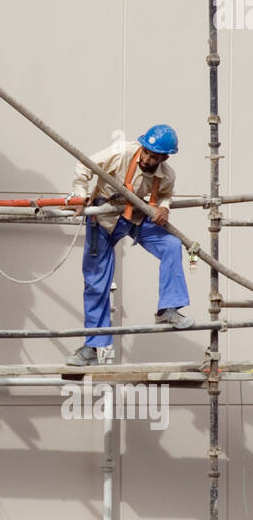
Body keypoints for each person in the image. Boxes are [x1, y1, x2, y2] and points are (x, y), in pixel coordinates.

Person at [65, 125, 192, 366]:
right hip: (103, 217)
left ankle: (168, 310)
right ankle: (92, 347)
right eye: (146, 152)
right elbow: (84, 165)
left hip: (134, 218)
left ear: (164, 158)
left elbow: (165, 195)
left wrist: (164, 207)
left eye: (155, 156)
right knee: (96, 282)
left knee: (171, 245)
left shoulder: (166, 174)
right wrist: (80, 196)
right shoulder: (121, 153)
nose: (147, 159)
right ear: (142, 146)